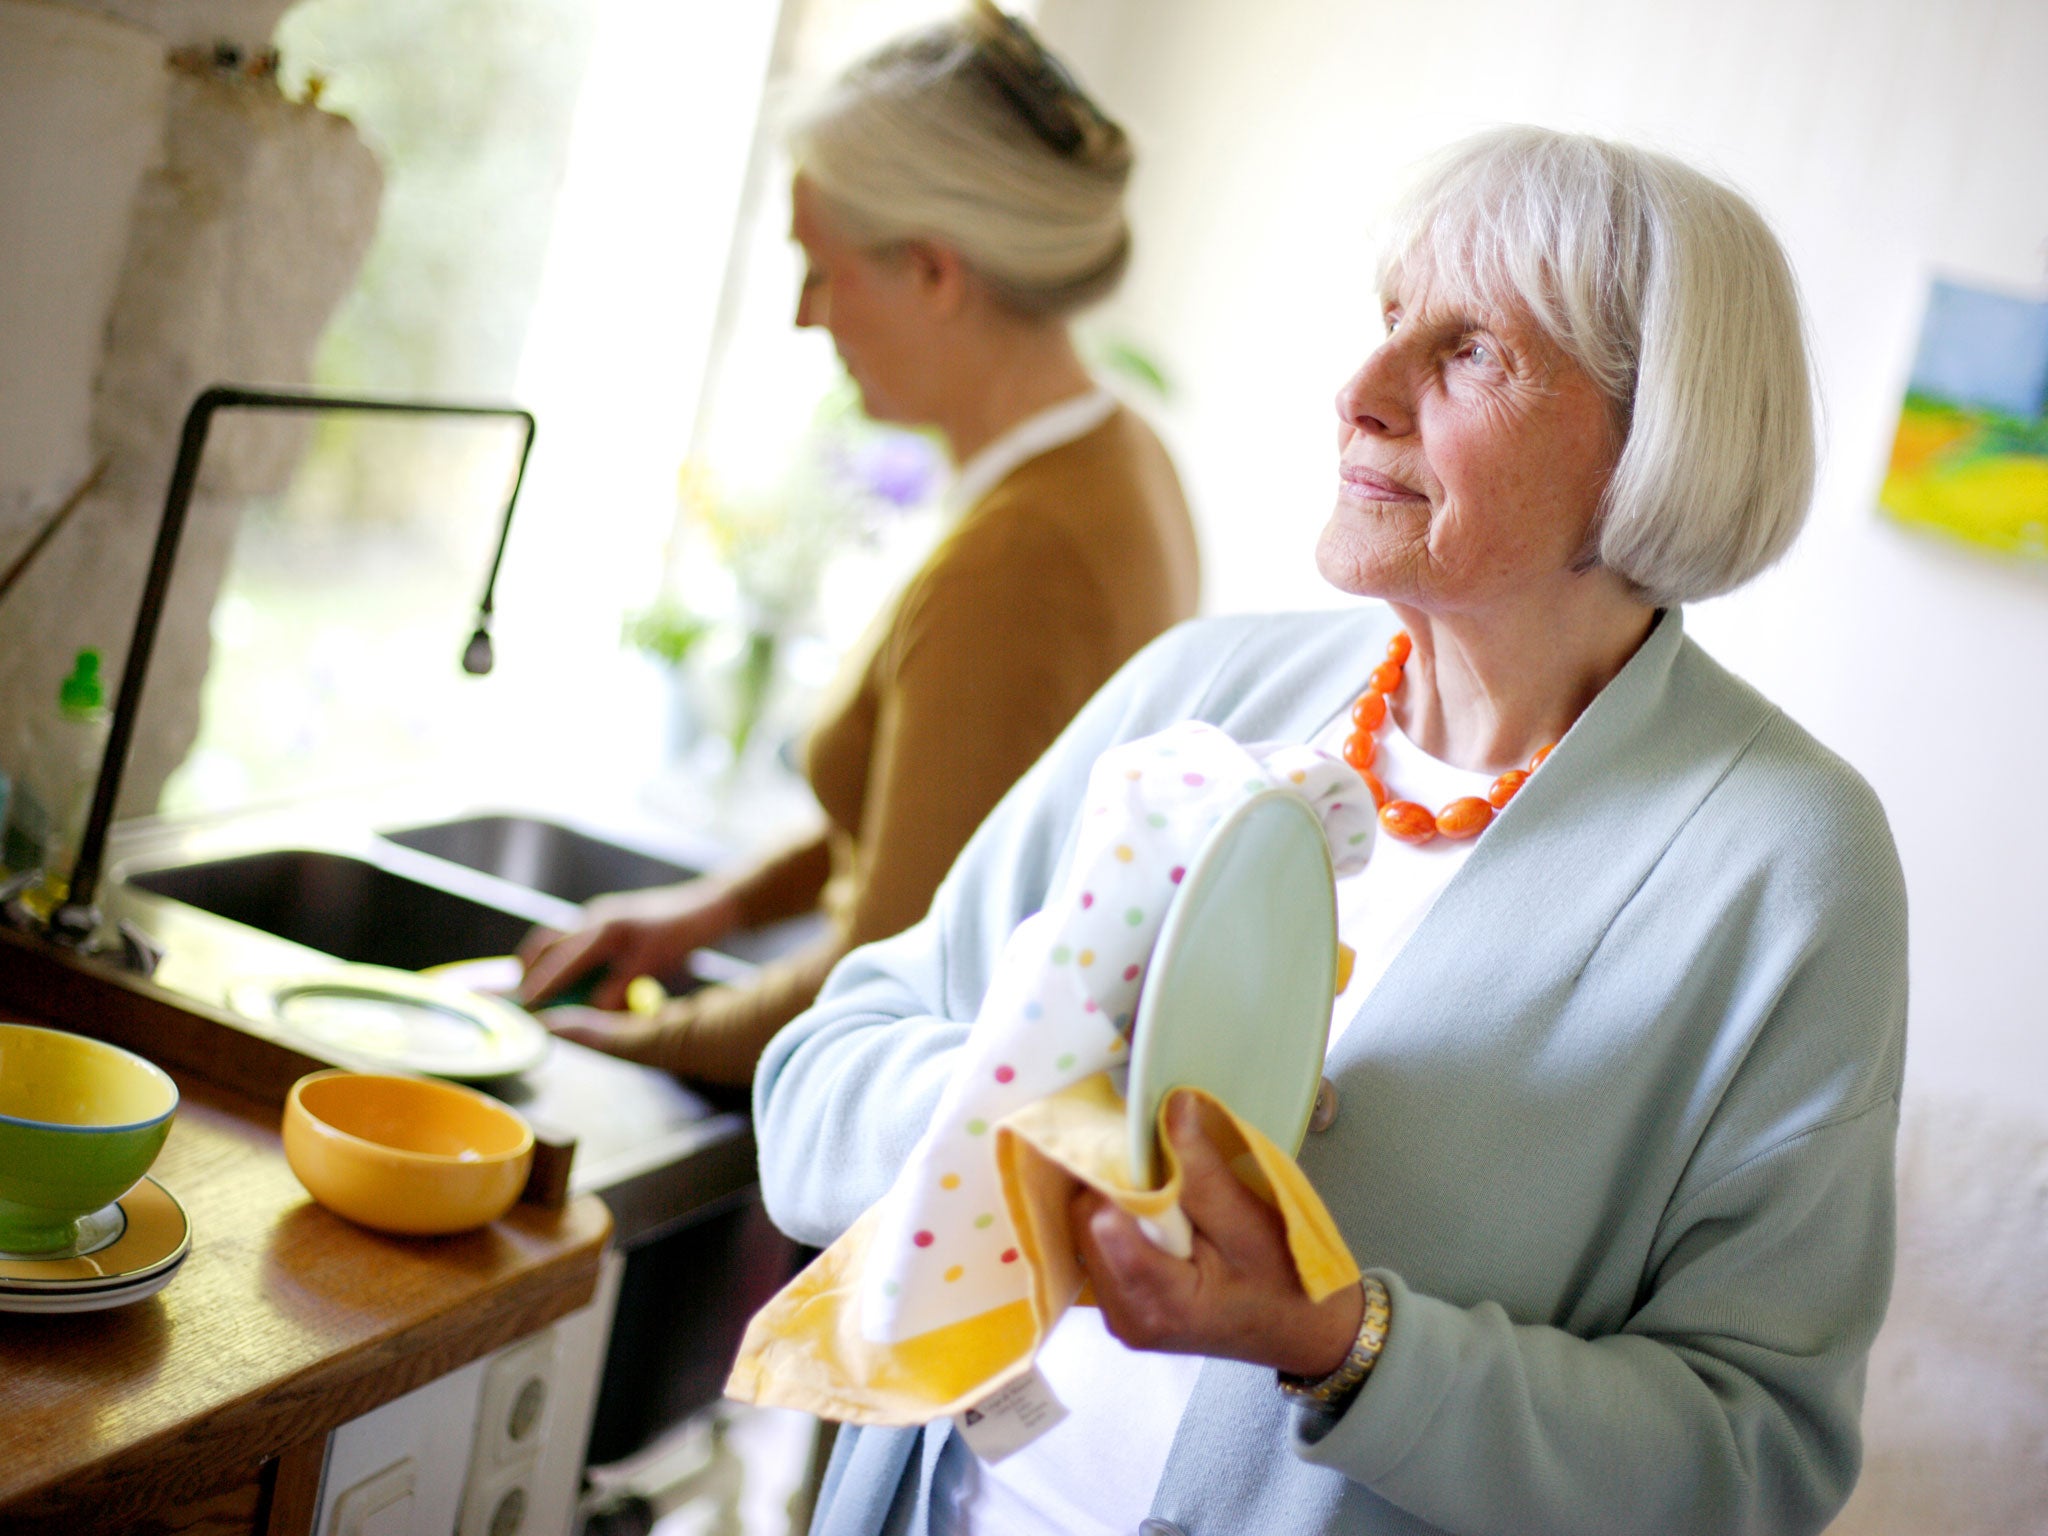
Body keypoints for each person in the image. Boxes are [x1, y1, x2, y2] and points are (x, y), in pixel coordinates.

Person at [752, 125, 1907, 1535]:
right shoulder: (1198, 692)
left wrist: (1344, 1339)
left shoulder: (1788, 866)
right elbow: (817, 1085)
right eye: (1387, 323)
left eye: (1472, 351)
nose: (1359, 394)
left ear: (1656, 435)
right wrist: (1034, 1122)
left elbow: (1753, 1463)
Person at [520, 3, 1200, 1084]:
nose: (803, 313)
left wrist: (618, 1044)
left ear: (932, 274)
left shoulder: (1017, 558)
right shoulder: (1114, 456)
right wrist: (721, 907)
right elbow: (948, 833)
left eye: (820, 267)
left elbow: (889, 969)